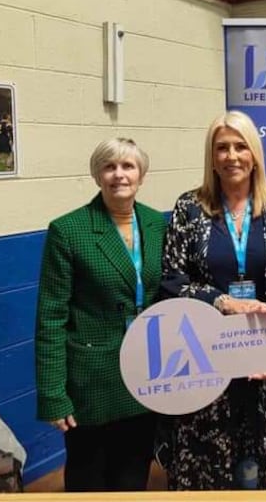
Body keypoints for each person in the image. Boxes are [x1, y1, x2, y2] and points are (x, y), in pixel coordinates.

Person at [159, 110, 266, 490]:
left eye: (240, 146)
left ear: (254, 153)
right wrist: (224, 302)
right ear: (211, 157)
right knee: (207, 464)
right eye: (221, 147)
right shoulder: (188, 208)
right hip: (207, 356)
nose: (231, 156)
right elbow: (173, 280)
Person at [35, 137, 166, 492]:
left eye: (128, 166)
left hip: (146, 370)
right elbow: (50, 317)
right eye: (109, 167)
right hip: (92, 379)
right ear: (97, 175)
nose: (119, 175)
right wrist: (53, 394)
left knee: (134, 470)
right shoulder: (69, 230)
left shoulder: (158, 225)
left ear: (142, 175)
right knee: (87, 477)